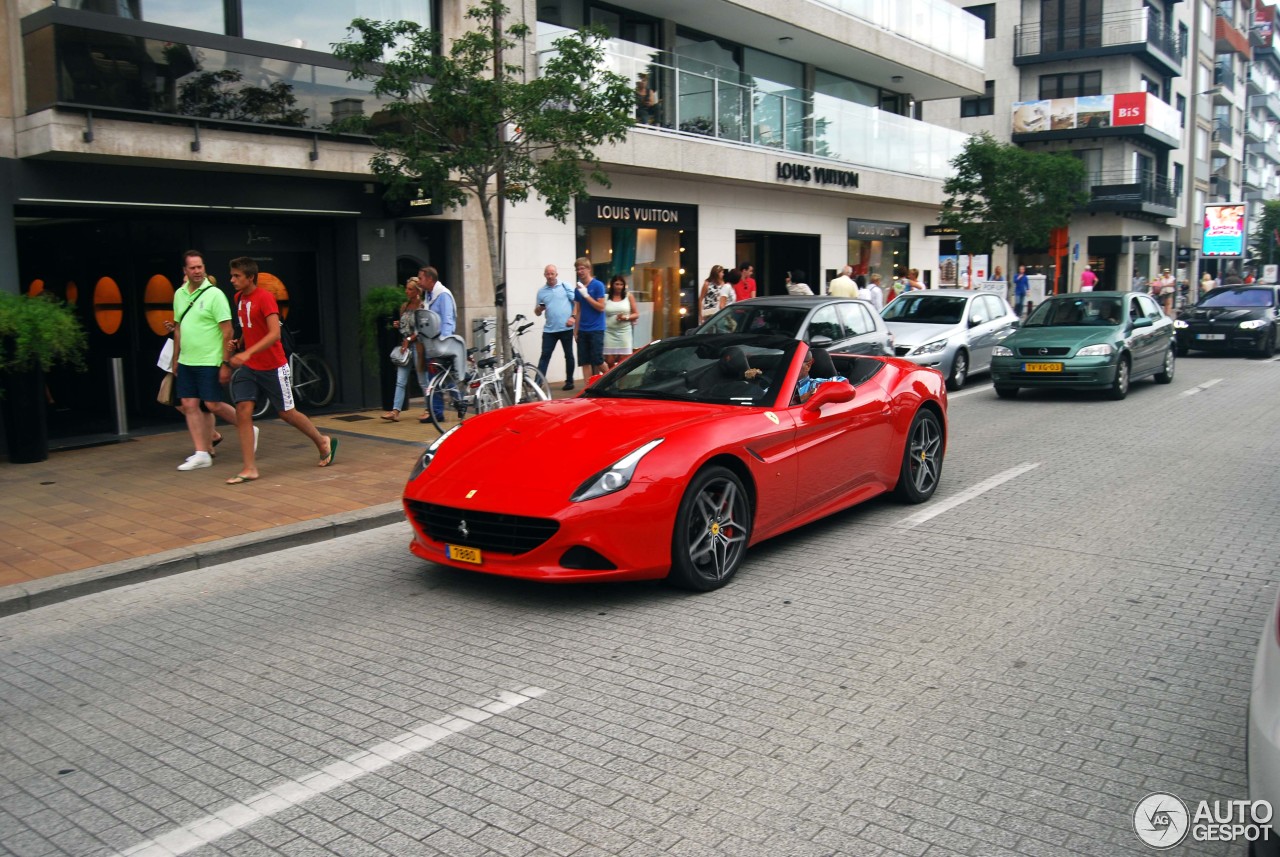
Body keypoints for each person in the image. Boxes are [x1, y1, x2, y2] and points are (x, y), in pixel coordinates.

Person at [225, 256, 335, 484]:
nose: (232, 280)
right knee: (243, 410)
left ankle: (322, 441)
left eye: (237, 276)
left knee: (287, 413)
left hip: (273, 366)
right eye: (232, 275)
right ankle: (249, 468)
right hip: (250, 366)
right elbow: (249, 325)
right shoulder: (238, 298)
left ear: (250, 277)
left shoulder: (265, 298)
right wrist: (239, 343)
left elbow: (274, 333)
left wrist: (246, 352)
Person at [171, 250, 242, 471]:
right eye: (192, 268)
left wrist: (225, 362)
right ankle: (202, 453)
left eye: (200, 266)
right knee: (188, 404)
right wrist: (175, 359)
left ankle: (246, 425)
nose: (197, 271)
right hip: (187, 360)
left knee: (211, 404)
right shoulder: (179, 294)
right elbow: (179, 328)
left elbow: (227, 330)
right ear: (185, 270)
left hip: (209, 359)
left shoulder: (215, 295)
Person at [381, 278, 430, 422]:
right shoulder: (405, 306)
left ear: (417, 291)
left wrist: (409, 340)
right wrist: (399, 324)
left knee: (423, 381)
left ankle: (429, 408)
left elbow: (422, 329)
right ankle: (395, 411)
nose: (406, 291)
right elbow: (405, 326)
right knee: (400, 381)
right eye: (406, 288)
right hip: (405, 347)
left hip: (418, 346)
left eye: (410, 289)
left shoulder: (422, 306)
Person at [534, 264, 576, 391]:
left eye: (552, 273)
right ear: (544, 275)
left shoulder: (565, 286)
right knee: (545, 356)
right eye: (548, 273)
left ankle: (569, 381)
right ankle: (538, 382)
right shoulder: (541, 292)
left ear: (556, 274)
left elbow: (576, 303)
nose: (550, 276)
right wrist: (539, 309)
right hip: (549, 330)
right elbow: (536, 312)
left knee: (568, 355)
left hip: (566, 328)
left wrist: (573, 317)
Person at [571, 257, 606, 381]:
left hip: (596, 328)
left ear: (589, 269)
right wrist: (576, 331)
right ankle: (588, 388)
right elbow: (578, 310)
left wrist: (586, 295)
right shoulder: (577, 289)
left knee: (598, 360)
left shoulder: (598, 285)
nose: (580, 271)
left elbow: (601, 307)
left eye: (582, 268)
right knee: (584, 361)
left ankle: (613, 380)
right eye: (577, 269)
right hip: (583, 329)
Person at [603, 275, 639, 370]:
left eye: (621, 284)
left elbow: (636, 314)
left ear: (624, 286)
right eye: (616, 284)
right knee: (609, 360)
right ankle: (612, 381)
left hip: (624, 331)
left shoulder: (628, 296)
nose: (619, 286)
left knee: (623, 361)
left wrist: (625, 317)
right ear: (612, 285)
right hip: (609, 331)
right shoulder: (606, 297)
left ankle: (621, 383)